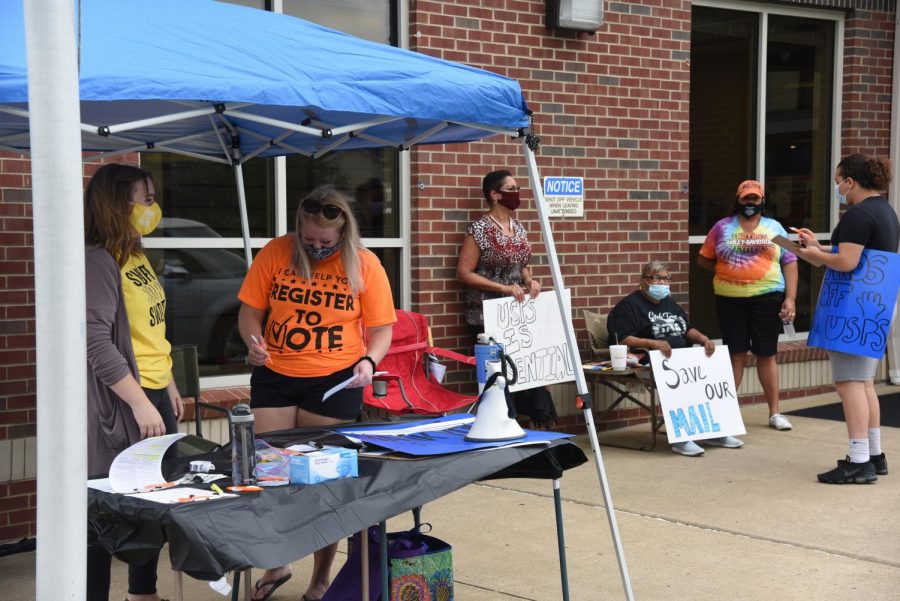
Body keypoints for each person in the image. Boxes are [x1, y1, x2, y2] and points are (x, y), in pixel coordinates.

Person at [238, 185, 396, 601]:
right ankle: (279, 559)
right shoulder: (276, 252)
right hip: (275, 375)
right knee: (273, 475)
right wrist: (253, 341)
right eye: (309, 240)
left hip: (335, 381)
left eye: (325, 242)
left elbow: (382, 329)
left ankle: (321, 576)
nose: (316, 247)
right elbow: (250, 312)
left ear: (343, 233)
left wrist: (370, 362)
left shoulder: (365, 264)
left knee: (324, 485)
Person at [84, 163, 184, 601]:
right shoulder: (98, 261)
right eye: (145, 199)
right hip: (126, 401)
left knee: (150, 505)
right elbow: (95, 342)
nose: (152, 207)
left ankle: (143, 594)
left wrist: (169, 382)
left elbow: (151, 329)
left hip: (156, 391)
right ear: (117, 204)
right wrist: (140, 402)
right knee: (107, 514)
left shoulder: (136, 254)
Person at [793, 154, 900, 484]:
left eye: (839, 180)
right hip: (876, 306)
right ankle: (873, 454)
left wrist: (811, 254)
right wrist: (820, 246)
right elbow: (858, 255)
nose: (838, 187)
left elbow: (847, 262)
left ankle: (858, 462)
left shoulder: (858, 214)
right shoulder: (884, 210)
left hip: (853, 308)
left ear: (850, 182)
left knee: (848, 383)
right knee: (865, 382)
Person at [606, 261, 743, 456]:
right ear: (644, 281)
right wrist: (653, 343)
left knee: (712, 371)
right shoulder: (630, 306)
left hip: (682, 358)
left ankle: (717, 431)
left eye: (666, 278)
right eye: (657, 278)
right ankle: (681, 438)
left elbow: (686, 329)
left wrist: (703, 339)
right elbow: (620, 337)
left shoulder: (670, 303)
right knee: (682, 380)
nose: (662, 282)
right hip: (651, 360)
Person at [456, 169, 557, 428]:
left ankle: (539, 420)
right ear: (495, 194)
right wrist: (502, 288)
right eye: (511, 189)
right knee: (501, 372)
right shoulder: (479, 230)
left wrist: (529, 280)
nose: (516, 194)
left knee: (527, 367)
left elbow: (522, 264)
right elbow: (465, 273)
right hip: (486, 314)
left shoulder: (518, 226)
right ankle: (505, 424)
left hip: (517, 313)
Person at [698, 180, 799, 432]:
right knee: (736, 355)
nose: (750, 203)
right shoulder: (722, 227)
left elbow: (791, 261)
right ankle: (727, 414)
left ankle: (775, 412)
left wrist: (790, 298)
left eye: (755, 199)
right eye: (746, 199)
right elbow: (703, 259)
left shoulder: (775, 228)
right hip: (730, 301)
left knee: (767, 354)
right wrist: (726, 272)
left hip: (767, 298)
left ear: (762, 201)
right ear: (738, 200)